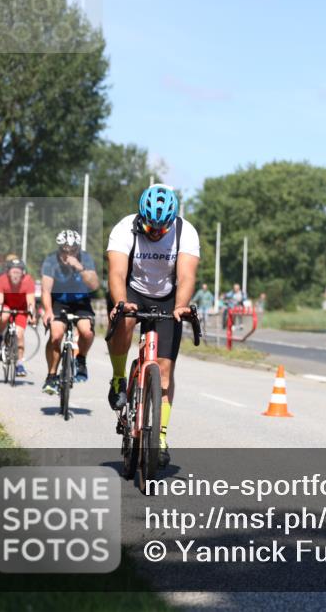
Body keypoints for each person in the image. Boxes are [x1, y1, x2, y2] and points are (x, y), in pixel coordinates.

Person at [105, 184, 200, 468]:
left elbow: (186, 276)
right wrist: (121, 303)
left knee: (166, 370)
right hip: (133, 290)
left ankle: (159, 435)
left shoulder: (186, 232)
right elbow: (117, 272)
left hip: (169, 295)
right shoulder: (124, 228)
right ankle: (120, 377)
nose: (156, 233)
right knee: (125, 319)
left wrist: (181, 306)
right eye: (150, 228)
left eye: (162, 228)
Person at [41, 230, 100, 394]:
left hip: (81, 301)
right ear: (59, 248)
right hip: (59, 301)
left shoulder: (85, 258)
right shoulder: (51, 260)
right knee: (56, 336)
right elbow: (46, 290)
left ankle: (81, 359)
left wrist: (79, 267)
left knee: (87, 332)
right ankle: (51, 375)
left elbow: (94, 285)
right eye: (64, 250)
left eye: (72, 250)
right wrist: (47, 311)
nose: (67, 254)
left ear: (77, 249)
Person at [0, 258, 36, 376]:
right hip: (7, 305)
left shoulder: (28, 281)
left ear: (23, 273)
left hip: (22, 309)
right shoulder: (1, 281)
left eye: (18, 272)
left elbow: (30, 301)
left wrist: (32, 315)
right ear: (8, 272)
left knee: (20, 334)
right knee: (4, 316)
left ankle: (19, 364)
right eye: (13, 272)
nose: (16, 275)